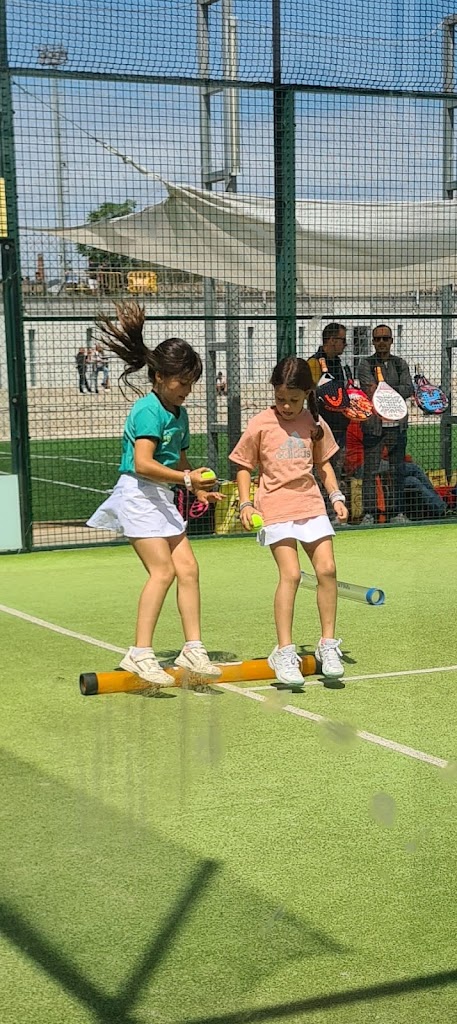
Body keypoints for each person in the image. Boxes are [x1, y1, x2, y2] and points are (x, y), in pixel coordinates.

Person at [86, 301, 223, 691]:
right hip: (137, 493)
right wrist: (184, 476)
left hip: (160, 494)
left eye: (192, 383)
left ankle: (192, 649)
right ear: (161, 376)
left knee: (189, 570)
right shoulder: (147, 411)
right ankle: (139, 653)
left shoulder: (179, 414)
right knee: (162, 572)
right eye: (183, 382)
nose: (188, 390)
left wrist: (198, 485)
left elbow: (180, 460)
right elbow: (144, 463)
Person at [229, 356, 348, 683]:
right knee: (292, 574)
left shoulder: (314, 423)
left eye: (293, 400)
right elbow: (243, 465)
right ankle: (284, 651)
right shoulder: (260, 424)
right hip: (275, 507)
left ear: (307, 394)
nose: (285, 405)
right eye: (280, 398)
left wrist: (336, 495)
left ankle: (328, 645)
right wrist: (245, 504)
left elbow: (323, 465)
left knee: (328, 569)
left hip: (310, 503)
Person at [357, 325, 414, 525]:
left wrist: (385, 390)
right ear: (373, 342)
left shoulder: (400, 363)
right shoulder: (366, 363)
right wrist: (390, 390)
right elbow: (369, 389)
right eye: (378, 339)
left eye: (385, 338)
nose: (381, 342)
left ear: (391, 341)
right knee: (370, 471)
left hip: (397, 425)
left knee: (397, 469)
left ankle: (397, 512)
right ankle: (370, 513)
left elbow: (408, 388)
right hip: (374, 426)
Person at [345, 421, 446, 520]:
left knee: (411, 480)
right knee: (413, 469)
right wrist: (406, 460)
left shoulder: (363, 424)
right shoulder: (363, 426)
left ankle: (440, 506)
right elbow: (383, 452)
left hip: (372, 463)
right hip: (362, 465)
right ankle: (441, 507)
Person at [307, 322, 348, 522]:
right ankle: (320, 513)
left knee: (336, 471)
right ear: (331, 340)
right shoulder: (314, 363)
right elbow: (310, 394)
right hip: (322, 428)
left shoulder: (340, 364)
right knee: (320, 471)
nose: (345, 345)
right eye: (342, 340)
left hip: (341, 427)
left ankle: (335, 512)